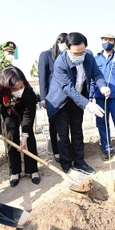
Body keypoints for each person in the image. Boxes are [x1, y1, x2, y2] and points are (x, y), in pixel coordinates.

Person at [45, 32, 110, 175]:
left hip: (78, 100)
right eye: (76, 53)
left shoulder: (88, 57)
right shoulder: (60, 63)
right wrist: (88, 104)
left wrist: (102, 86)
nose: (80, 55)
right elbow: (68, 89)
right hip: (61, 102)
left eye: (83, 51)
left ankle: (80, 162)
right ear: (66, 49)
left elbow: (97, 74)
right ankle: (67, 165)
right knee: (62, 134)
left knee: (77, 131)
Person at [0, 66, 40, 187]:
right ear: (6, 87)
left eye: (21, 87)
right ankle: (15, 172)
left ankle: (33, 170)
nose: (19, 90)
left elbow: (28, 114)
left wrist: (25, 135)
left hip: (23, 110)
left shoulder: (28, 93)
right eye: (15, 88)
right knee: (11, 137)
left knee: (29, 138)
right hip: (7, 109)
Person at [90, 34, 115, 163]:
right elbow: (92, 79)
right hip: (100, 98)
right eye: (105, 40)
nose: (107, 42)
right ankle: (106, 148)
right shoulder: (95, 60)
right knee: (102, 124)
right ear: (101, 41)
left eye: (110, 40)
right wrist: (91, 95)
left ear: (114, 42)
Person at [38, 33, 67, 163]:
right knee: (54, 125)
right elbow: (42, 78)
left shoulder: (66, 56)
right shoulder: (46, 55)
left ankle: (66, 148)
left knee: (66, 125)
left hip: (67, 96)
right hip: (52, 98)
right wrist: (43, 98)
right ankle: (56, 151)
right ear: (58, 43)